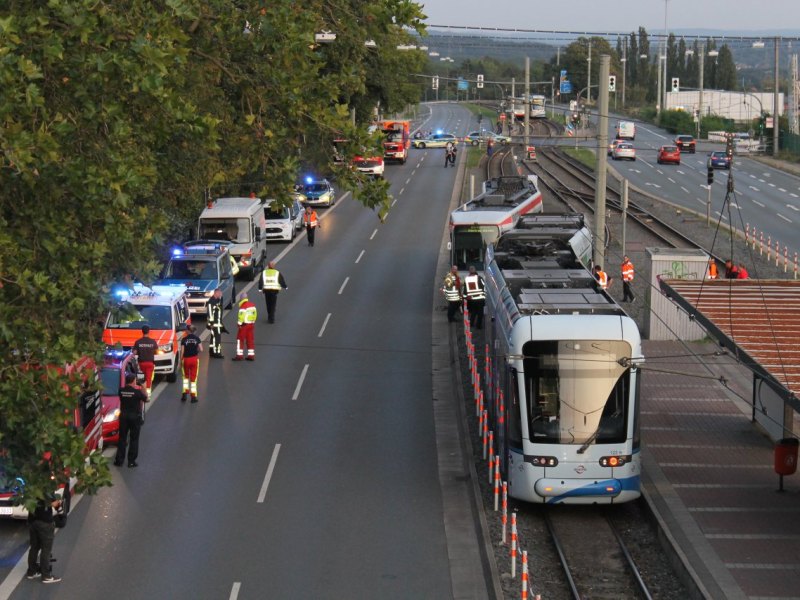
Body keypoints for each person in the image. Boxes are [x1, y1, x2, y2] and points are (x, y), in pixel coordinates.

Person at [114, 372, 149, 468]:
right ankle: (131, 461)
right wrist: (143, 388)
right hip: (134, 418)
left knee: (122, 439)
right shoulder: (137, 393)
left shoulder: (121, 391)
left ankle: (119, 461)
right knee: (134, 439)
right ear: (134, 381)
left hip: (124, 417)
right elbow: (146, 399)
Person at [26, 496, 62, 583]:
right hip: (45, 522)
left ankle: (31, 572)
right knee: (46, 549)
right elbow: (54, 503)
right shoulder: (47, 486)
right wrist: (59, 507)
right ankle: (46, 576)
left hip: (32, 520)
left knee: (34, 547)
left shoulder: (32, 484)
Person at [132, 325, 158, 398]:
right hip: (150, 363)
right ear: (148, 331)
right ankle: (148, 396)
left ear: (142, 331)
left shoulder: (138, 342)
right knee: (149, 379)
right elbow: (156, 351)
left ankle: (141, 395)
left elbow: (134, 352)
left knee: (141, 379)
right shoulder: (153, 341)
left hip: (141, 364)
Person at [180, 324, 203, 403]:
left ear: (188, 331)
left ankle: (184, 394)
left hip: (186, 359)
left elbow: (182, 351)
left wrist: (181, 360)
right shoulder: (197, 338)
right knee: (193, 379)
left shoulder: (184, 339)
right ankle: (193, 397)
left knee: (185, 377)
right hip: (194, 359)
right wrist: (196, 351)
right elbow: (201, 349)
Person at [234, 294, 257, 361]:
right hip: (251, 325)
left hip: (244, 326)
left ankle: (239, 355)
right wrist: (252, 321)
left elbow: (241, 317)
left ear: (241, 299)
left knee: (240, 340)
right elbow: (255, 315)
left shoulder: (243, 306)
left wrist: (239, 324)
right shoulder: (252, 305)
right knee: (250, 340)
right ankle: (251, 355)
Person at [207, 289, 226, 358]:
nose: (221, 294)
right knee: (217, 339)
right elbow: (210, 314)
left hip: (217, 323)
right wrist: (211, 323)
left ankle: (212, 351)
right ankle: (217, 353)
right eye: (220, 293)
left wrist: (221, 298)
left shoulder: (217, 301)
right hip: (214, 324)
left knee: (213, 338)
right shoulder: (211, 302)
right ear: (216, 293)